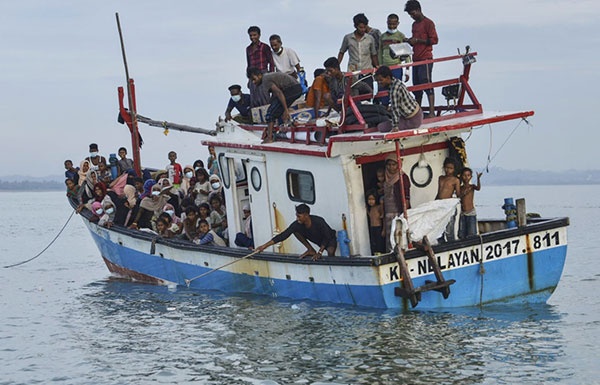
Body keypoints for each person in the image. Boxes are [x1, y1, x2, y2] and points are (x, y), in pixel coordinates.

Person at [255, 204, 336, 260]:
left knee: (330, 251)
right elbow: (283, 235)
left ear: (306, 215)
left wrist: (320, 252)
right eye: (296, 216)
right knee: (295, 231)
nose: (297, 218)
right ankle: (310, 249)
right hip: (318, 240)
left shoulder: (319, 221)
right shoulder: (297, 224)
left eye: (299, 216)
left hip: (329, 239)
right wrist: (264, 246)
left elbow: (327, 236)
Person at [247, 67, 303, 143]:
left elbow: (279, 93)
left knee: (270, 114)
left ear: (259, 75)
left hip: (292, 89)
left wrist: (286, 110)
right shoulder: (266, 78)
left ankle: (269, 138)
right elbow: (275, 96)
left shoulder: (265, 80)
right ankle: (286, 126)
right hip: (295, 89)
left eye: (254, 79)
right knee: (275, 109)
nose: (253, 82)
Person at [405, 0, 438, 118]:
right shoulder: (414, 25)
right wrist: (410, 41)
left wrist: (418, 41)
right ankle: (417, 113)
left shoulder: (429, 23)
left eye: (413, 14)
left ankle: (432, 111)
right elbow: (415, 41)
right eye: (410, 15)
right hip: (416, 58)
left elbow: (434, 40)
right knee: (417, 85)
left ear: (418, 10)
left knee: (427, 82)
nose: (412, 17)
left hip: (426, 58)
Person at [374, 66, 422, 131]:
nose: (379, 82)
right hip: (416, 114)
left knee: (381, 127)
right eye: (378, 81)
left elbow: (395, 109)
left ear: (388, 78)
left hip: (412, 120)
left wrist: (395, 127)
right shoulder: (396, 82)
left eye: (381, 80)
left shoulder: (394, 90)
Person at [382, 154, 411, 251]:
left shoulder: (403, 178)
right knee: (390, 237)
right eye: (389, 165)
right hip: (387, 213)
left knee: (399, 235)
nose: (391, 167)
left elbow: (406, 197)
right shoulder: (384, 177)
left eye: (394, 164)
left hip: (398, 212)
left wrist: (404, 214)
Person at [246, 26, 275, 107]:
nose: (252, 37)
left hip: (263, 73)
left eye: (254, 35)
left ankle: (268, 115)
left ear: (259, 35)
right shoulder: (248, 49)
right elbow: (248, 64)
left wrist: (271, 75)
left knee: (264, 95)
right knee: (254, 96)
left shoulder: (264, 47)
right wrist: (249, 79)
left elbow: (271, 62)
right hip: (252, 75)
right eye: (251, 35)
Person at [436, 157, 461, 242]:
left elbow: (458, 195)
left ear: (454, 169)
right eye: (446, 168)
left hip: (449, 207)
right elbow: (439, 192)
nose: (448, 170)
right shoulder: (441, 178)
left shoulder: (455, 180)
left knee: (449, 231)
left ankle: (451, 247)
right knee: (439, 231)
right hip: (439, 206)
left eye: (450, 168)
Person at [458, 167, 482, 239]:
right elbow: (458, 196)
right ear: (461, 176)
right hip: (463, 213)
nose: (466, 177)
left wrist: (478, 179)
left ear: (471, 177)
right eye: (464, 175)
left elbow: (478, 188)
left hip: (471, 213)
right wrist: (464, 193)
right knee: (462, 234)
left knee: (472, 233)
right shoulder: (460, 188)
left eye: (468, 175)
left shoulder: (472, 186)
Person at [366, 190, 385, 254]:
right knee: (374, 243)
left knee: (379, 243)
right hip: (372, 228)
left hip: (378, 227)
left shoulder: (379, 207)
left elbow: (382, 217)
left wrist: (383, 229)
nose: (371, 201)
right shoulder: (370, 208)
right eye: (369, 199)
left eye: (372, 199)